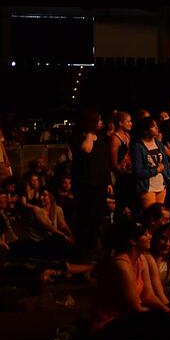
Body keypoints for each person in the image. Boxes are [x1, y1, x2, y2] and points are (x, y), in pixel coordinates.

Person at [70, 108, 111, 259]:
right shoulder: (77, 138)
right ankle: (82, 251)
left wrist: (108, 181)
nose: (101, 123)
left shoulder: (100, 137)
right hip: (85, 185)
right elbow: (86, 149)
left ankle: (93, 248)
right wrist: (89, 134)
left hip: (99, 184)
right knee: (85, 218)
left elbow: (104, 160)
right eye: (98, 120)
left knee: (97, 217)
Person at [130, 117, 170, 212]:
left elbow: (165, 166)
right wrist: (156, 170)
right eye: (153, 126)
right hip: (147, 187)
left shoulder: (159, 144)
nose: (157, 128)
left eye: (156, 125)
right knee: (151, 216)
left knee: (160, 216)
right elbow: (138, 172)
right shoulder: (138, 147)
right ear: (145, 131)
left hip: (161, 185)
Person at [109, 111, 135, 216]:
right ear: (120, 123)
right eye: (128, 121)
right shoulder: (115, 138)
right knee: (120, 204)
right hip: (121, 177)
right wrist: (122, 174)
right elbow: (114, 162)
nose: (131, 123)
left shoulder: (127, 135)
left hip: (129, 175)